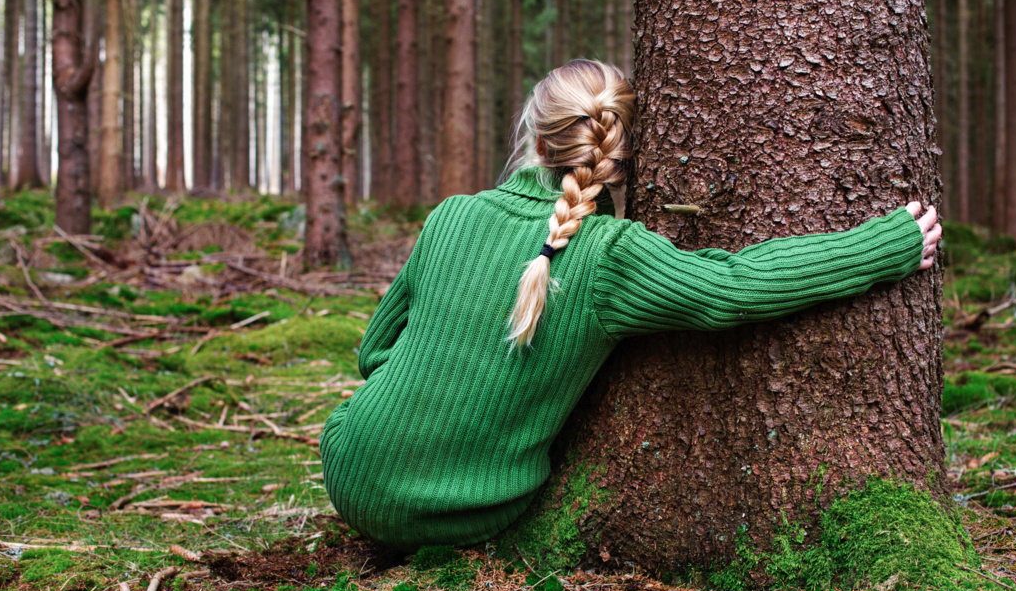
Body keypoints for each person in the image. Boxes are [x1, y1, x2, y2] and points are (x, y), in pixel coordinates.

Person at [319, 59, 942, 552]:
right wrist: (880, 246)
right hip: (465, 509)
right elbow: (735, 286)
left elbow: (375, 350)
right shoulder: (611, 254)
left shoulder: (453, 214)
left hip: (348, 470)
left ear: (534, 135)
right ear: (622, 150)